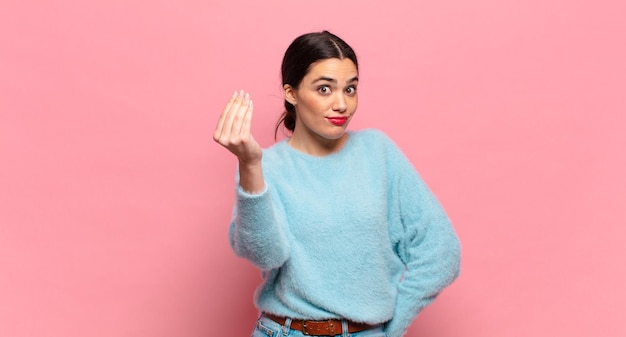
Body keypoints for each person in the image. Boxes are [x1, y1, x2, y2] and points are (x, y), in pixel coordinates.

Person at [213, 31, 461, 337]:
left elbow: (440, 250)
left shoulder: (378, 152)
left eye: (351, 88)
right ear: (291, 93)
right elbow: (266, 256)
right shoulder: (265, 167)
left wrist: (390, 328)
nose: (341, 104)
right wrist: (250, 165)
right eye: (324, 89)